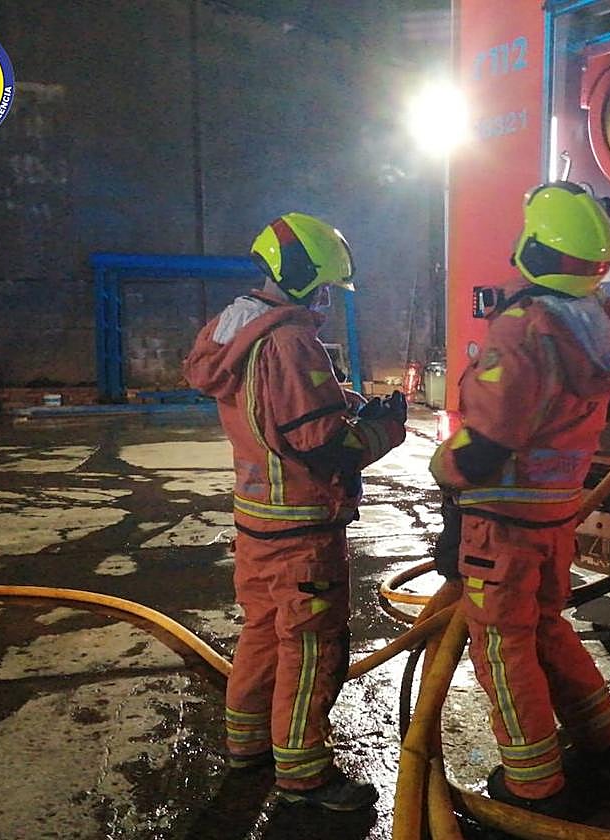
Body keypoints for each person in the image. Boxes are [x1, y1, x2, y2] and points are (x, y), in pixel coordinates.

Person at [184, 212, 406, 812]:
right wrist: (387, 430)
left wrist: (343, 402)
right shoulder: (289, 339)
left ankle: (247, 745)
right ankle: (304, 772)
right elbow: (325, 445)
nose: (328, 299)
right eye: (324, 286)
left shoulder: (236, 332)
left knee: (261, 634)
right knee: (310, 648)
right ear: (302, 275)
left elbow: (278, 413)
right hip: (303, 529)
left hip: (257, 523)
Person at [429, 181, 610, 817]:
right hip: (555, 515)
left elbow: (485, 444)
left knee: (502, 645)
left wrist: (444, 466)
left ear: (536, 246)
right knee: (545, 623)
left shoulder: (525, 328)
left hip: (501, 523)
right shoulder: (607, 321)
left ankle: (532, 783)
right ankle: (604, 730)